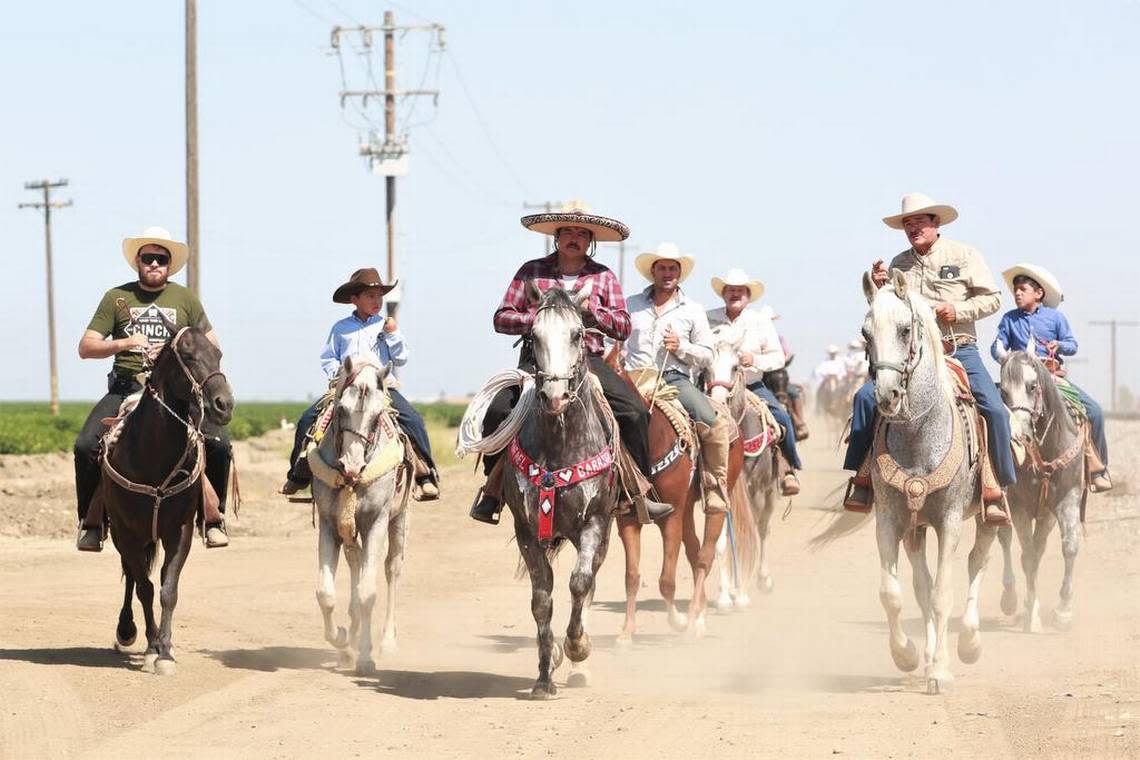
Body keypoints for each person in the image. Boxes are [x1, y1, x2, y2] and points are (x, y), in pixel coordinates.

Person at [469, 205, 672, 525]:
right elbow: (501, 317)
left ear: (590, 240)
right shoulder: (531, 272)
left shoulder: (603, 276)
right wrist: (539, 318)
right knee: (496, 410)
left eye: (581, 234)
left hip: (587, 361)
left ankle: (639, 491)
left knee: (633, 411)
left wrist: (594, 314)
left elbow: (622, 327)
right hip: (536, 361)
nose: (574, 238)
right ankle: (493, 490)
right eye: (567, 232)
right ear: (557, 237)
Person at [843, 193, 1015, 523]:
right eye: (907, 223)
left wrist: (959, 309)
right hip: (913, 357)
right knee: (867, 398)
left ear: (936, 223)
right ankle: (862, 478)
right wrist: (881, 288)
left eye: (919, 221)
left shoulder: (965, 255)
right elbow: (890, 312)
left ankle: (997, 487)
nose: (913, 228)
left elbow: (992, 298)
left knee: (993, 408)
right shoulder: (898, 263)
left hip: (958, 348)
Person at [74, 226, 231, 551]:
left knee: (219, 445)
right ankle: (92, 523)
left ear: (169, 265)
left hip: (175, 397)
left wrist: (175, 351)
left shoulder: (185, 298)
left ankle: (213, 519)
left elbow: (213, 345)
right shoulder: (117, 298)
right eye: (149, 258)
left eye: (162, 259)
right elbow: (86, 347)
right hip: (126, 387)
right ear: (138, 262)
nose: (155, 264)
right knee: (85, 445)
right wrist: (125, 342)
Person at [280, 268, 439, 500]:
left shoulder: (386, 325)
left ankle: (425, 476)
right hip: (345, 388)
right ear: (355, 299)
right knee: (307, 419)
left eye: (379, 297)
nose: (377, 302)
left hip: (381, 389)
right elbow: (328, 358)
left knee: (413, 420)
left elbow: (402, 358)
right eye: (370, 296)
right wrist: (342, 376)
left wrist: (393, 335)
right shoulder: (340, 328)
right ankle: (298, 475)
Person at [625, 243, 732, 512]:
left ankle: (715, 486)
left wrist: (680, 346)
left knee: (714, 423)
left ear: (680, 273)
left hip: (673, 380)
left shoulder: (693, 310)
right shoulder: (632, 305)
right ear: (653, 271)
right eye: (662, 267)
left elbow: (708, 354)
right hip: (633, 379)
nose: (667, 272)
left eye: (673, 268)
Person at [991, 263, 1111, 492]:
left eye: (1022, 289)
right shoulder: (1008, 319)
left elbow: (1072, 345)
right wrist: (1001, 356)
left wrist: (1060, 345)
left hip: (1052, 378)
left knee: (1095, 411)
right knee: (990, 412)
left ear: (1039, 293)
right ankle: (991, 473)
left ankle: (1098, 470)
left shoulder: (1055, 318)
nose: (1017, 293)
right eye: (1015, 290)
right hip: (1019, 383)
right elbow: (997, 345)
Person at [706, 267, 802, 495]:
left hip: (752, 386)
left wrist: (754, 360)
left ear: (748, 296)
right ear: (723, 293)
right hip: (714, 385)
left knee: (782, 418)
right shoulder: (708, 318)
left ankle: (789, 468)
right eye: (730, 290)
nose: (735, 294)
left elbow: (778, 357)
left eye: (740, 291)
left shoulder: (759, 321)